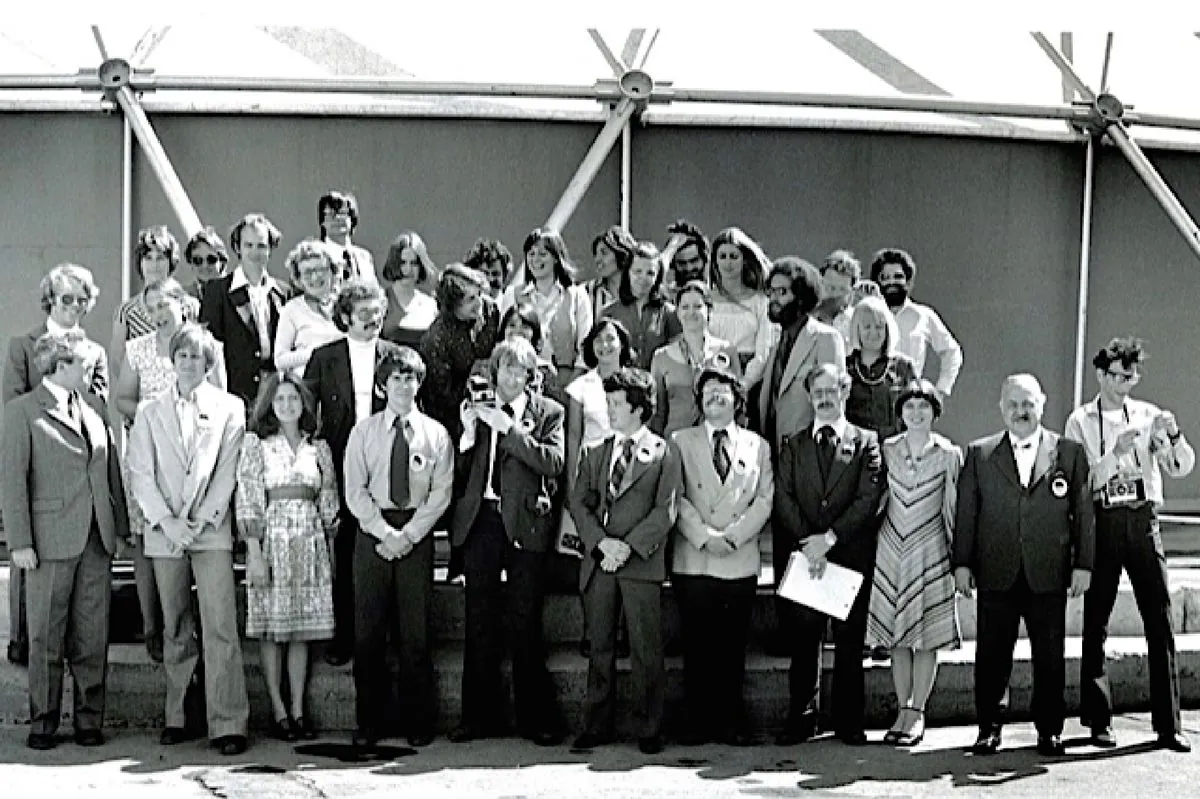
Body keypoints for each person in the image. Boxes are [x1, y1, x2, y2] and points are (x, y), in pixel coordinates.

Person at [953, 374, 1093, 757]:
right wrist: (962, 563)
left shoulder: (1068, 452)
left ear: (1042, 404)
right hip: (996, 569)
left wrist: (1083, 564)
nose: (1021, 412)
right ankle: (988, 728)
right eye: (1013, 404)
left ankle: (1049, 730)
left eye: (1028, 404)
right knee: (992, 656)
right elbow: (968, 513)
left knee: (1049, 656)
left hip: (1048, 571)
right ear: (1001, 407)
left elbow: (1082, 513)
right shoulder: (979, 454)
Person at [126, 323, 251, 756]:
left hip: (209, 529)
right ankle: (178, 715)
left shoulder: (230, 407)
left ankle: (228, 721)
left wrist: (201, 517)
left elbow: (229, 468)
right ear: (171, 359)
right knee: (176, 622)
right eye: (181, 355)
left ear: (206, 362)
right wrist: (166, 520)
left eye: (196, 356)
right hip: (166, 533)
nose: (187, 361)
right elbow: (140, 470)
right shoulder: (148, 410)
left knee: (220, 625)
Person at [1065, 337, 1194, 752]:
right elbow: (1082, 482)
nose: (1127, 384)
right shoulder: (1080, 421)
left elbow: (1179, 467)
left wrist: (1172, 435)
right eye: (1120, 376)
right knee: (1096, 622)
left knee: (1160, 619)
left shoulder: (1148, 413)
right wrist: (1114, 454)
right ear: (1101, 375)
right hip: (1103, 520)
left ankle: (1168, 725)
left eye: (1132, 376)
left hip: (1142, 518)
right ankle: (1099, 721)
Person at [1, 330, 126, 750]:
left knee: (93, 634)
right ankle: (44, 719)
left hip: (95, 537)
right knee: (45, 635)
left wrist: (119, 527)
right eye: (80, 361)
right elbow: (13, 481)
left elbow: (110, 473)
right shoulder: (22, 412)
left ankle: (90, 719)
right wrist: (19, 541)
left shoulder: (92, 408)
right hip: (49, 538)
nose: (88, 367)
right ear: (58, 365)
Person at [449, 337, 566, 746]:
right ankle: (477, 717)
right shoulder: (480, 409)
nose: (513, 378)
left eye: (522, 371)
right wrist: (467, 435)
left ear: (531, 376)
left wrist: (510, 431)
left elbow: (553, 461)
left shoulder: (549, 412)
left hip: (526, 524)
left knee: (525, 621)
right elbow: (460, 472)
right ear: (495, 372)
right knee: (479, 620)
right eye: (507, 369)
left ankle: (535, 719)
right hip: (482, 520)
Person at [343, 347, 454, 749]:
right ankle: (370, 720)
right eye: (396, 379)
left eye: (410, 378)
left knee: (415, 634)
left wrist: (408, 536)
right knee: (369, 634)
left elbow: (440, 493)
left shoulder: (435, 434)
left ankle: (417, 719)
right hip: (373, 532)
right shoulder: (365, 431)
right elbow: (354, 491)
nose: (404, 385)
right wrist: (382, 532)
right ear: (382, 385)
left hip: (416, 534)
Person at [112, 277, 227, 663]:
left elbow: (222, 404)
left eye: (165, 304)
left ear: (184, 304)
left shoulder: (206, 348)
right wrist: (157, 422)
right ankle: (153, 627)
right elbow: (123, 399)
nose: (159, 313)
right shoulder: (138, 350)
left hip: (201, 469)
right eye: (152, 307)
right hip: (154, 460)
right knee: (152, 546)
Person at [772, 363, 885, 746]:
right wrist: (810, 541)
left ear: (844, 392)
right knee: (804, 642)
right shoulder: (793, 443)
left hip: (848, 554)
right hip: (807, 557)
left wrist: (831, 539)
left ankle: (849, 720)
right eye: (817, 391)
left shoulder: (867, 441)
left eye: (830, 390)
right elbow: (783, 497)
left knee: (850, 644)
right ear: (809, 396)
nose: (824, 398)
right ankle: (802, 719)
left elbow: (868, 498)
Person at [569, 368, 680, 755]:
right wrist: (602, 545)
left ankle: (649, 726)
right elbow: (579, 504)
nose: (609, 410)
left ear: (638, 408)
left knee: (645, 649)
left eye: (616, 403)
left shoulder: (664, 452)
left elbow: (664, 512)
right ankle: (596, 724)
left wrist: (627, 548)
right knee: (599, 644)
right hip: (601, 562)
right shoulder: (596, 451)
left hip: (639, 564)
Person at [3, 263, 109, 668]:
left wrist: (77, 373)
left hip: (79, 473)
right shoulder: (23, 345)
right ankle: (20, 638)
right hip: (36, 461)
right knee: (30, 566)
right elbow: (13, 405)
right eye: (67, 300)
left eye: (83, 301)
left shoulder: (93, 351)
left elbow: (99, 410)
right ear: (50, 299)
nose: (75, 308)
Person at [304, 280, 404, 667]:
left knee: (387, 543)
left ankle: (391, 636)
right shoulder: (324, 356)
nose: (372, 320)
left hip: (386, 461)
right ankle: (345, 636)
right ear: (345, 315)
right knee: (344, 551)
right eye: (364, 313)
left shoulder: (395, 355)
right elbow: (309, 409)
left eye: (378, 313)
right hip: (341, 459)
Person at [671, 364, 772, 747]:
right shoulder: (680, 441)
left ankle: (731, 721)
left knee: (732, 649)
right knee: (697, 648)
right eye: (708, 390)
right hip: (695, 558)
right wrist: (703, 536)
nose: (715, 396)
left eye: (723, 391)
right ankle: (696, 722)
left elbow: (765, 498)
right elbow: (675, 496)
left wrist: (733, 536)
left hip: (738, 557)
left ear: (737, 399)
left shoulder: (756, 445)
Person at [235, 372, 339, 742]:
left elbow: (328, 500)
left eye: (293, 398)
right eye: (279, 400)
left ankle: (297, 709)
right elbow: (248, 497)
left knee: (300, 630)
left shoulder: (318, 447)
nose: (287, 405)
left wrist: (327, 547)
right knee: (272, 628)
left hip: (309, 542)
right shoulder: (258, 445)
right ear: (270, 406)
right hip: (273, 540)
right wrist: (254, 553)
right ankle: (277, 709)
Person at [866, 380, 962, 746]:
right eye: (909, 407)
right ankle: (901, 708)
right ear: (900, 413)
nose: (916, 414)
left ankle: (918, 711)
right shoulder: (886, 449)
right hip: (892, 549)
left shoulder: (949, 453)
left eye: (924, 407)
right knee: (896, 637)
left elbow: (952, 508)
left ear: (935, 412)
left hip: (931, 548)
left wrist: (957, 559)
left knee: (926, 637)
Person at [200, 213, 289, 407]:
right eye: (248, 245)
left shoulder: (284, 292)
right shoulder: (217, 291)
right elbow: (209, 349)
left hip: (275, 396)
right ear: (237, 247)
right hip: (233, 396)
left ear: (270, 249)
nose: (255, 252)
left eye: (261, 246)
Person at [758, 256, 845, 452]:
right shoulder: (776, 343)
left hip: (810, 454)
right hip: (775, 455)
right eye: (771, 291)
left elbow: (833, 405)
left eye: (782, 292)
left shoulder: (825, 338)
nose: (774, 299)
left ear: (801, 296)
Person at [499, 227, 593, 391]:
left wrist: (571, 385)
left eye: (543, 254)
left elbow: (586, 346)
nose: (535, 260)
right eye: (531, 253)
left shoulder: (577, 296)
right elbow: (503, 342)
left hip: (567, 383)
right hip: (521, 383)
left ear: (557, 258)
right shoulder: (512, 294)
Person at [649, 280, 740, 440]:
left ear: (709, 310)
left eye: (698, 306)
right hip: (676, 442)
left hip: (716, 441)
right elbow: (658, 413)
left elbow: (738, 404)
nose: (691, 312)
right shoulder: (661, 356)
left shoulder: (727, 351)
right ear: (677, 312)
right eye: (685, 307)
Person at [419, 263, 499, 444]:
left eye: (479, 294)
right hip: (454, 417)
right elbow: (440, 396)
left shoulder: (491, 312)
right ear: (452, 304)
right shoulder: (437, 339)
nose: (479, 303)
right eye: (470, 299)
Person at [869, 248, 962, 399]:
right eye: (885, 277)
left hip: (910, 404)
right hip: (872, 402)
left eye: (898, 276)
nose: (892, 282)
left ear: (908, 280)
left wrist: (941, 390)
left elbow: (951, 351)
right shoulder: (865, 316)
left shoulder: (923, 315)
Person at [110, 225, 200, 374]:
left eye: (160, 258)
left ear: (171, 261)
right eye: (148, 258)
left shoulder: (189, 305)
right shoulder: (126, 312)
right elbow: (117, 362)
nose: (154, 265)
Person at [707, 227, 773, 390]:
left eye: (734, 256)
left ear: (744, 259)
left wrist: (745, 384)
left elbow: (763, 351)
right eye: (723, 256)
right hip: (712, 374)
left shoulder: (760, 301)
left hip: (752, 380)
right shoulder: (705, 299)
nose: (728, 262)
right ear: (715, 260)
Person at [845, 296, 918, 441]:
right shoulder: (844, 367)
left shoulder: (904, 366)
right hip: (855, 450)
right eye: (867, 327)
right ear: (856, 329)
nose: (873, 333)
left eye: (879, 327)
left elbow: (914, 412)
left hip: (895, 449)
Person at [601, 241, 682, 372]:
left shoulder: (669, 313)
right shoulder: (609, 312)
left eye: (650, 273)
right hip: (619, 384)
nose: (643, 278)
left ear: (658, 276)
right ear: (628, 272)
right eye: (637, 271)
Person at [274, 239, 344, 377]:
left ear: (333, 271)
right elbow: (280, 360)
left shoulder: (347, 303)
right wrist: (319, 354)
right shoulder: (292, 309)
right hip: (308, 385)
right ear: (298, 280)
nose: (315, 277)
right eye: (307, 272)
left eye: (321, 269)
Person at [379, 231, 439, 348]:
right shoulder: (381, 301)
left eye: (414, 263)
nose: (408, 269)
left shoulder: (431, 304)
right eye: (402, 263)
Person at [319, 190, 376, 283]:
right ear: (322, 221)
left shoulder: (364, 257)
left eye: (343, 213)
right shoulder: (316, 256)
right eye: (331, 214)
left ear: (352, 218)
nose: (338, 219)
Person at [587, 225, 637, 320]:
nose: (597, 259)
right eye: (596, 254)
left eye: (604, 253)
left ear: (621, 254)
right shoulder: (588, 291)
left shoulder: (640, 289)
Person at [813, 249, 861, 346]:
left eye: (842, 290)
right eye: (830, 288)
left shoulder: (857, 323)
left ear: (852, 292)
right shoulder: (805, 320)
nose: (835, 295)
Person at [661, 219, 709, 297]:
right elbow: (656, 270)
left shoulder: (718, 293)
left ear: (705, 259)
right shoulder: (667, 296)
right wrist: (672, 248)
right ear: (673, 264)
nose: (689, 268)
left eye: (694, 261)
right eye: (682, 263)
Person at [183, 226, 231, 295]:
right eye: (198, 260)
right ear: (191, 264)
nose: (204, 265)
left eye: (211, 259)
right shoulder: (185, 297)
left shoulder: (237, 293)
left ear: (222, 262)